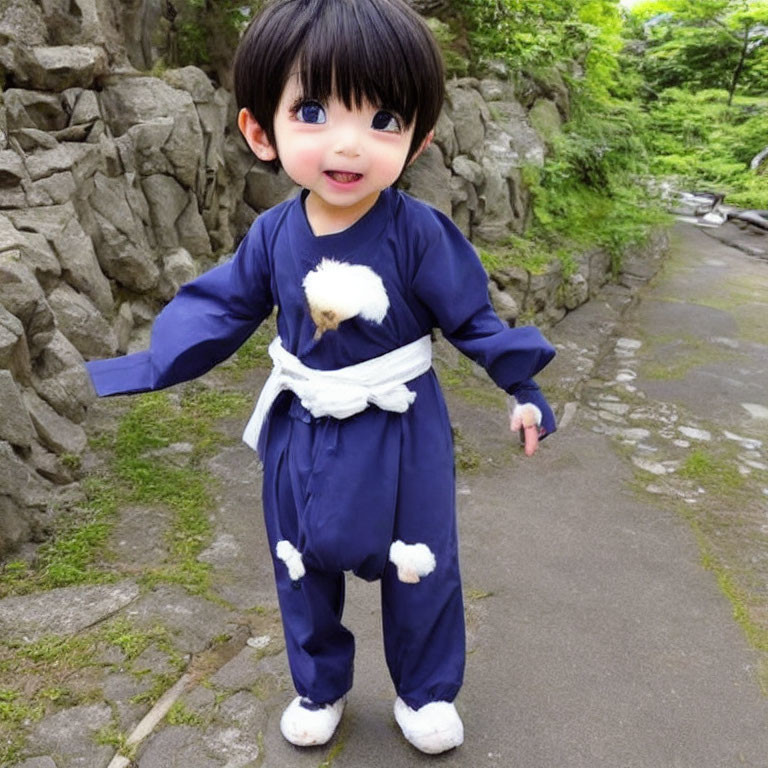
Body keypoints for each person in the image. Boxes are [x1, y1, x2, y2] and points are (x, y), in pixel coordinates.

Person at [86, 0, 556, 754]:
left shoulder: (418, 232)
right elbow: (220, 308)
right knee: (298, 558)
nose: (349, 144)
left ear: (420, 138)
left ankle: (425, 692)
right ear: (259, 130)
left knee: (421, 566)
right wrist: (143, 367)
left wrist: (523, 388)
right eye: (312, 110)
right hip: (302, 426)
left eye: (384, 120)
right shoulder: (272, 234)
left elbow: (474, 319)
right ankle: (320, 684)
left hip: (402, 427)